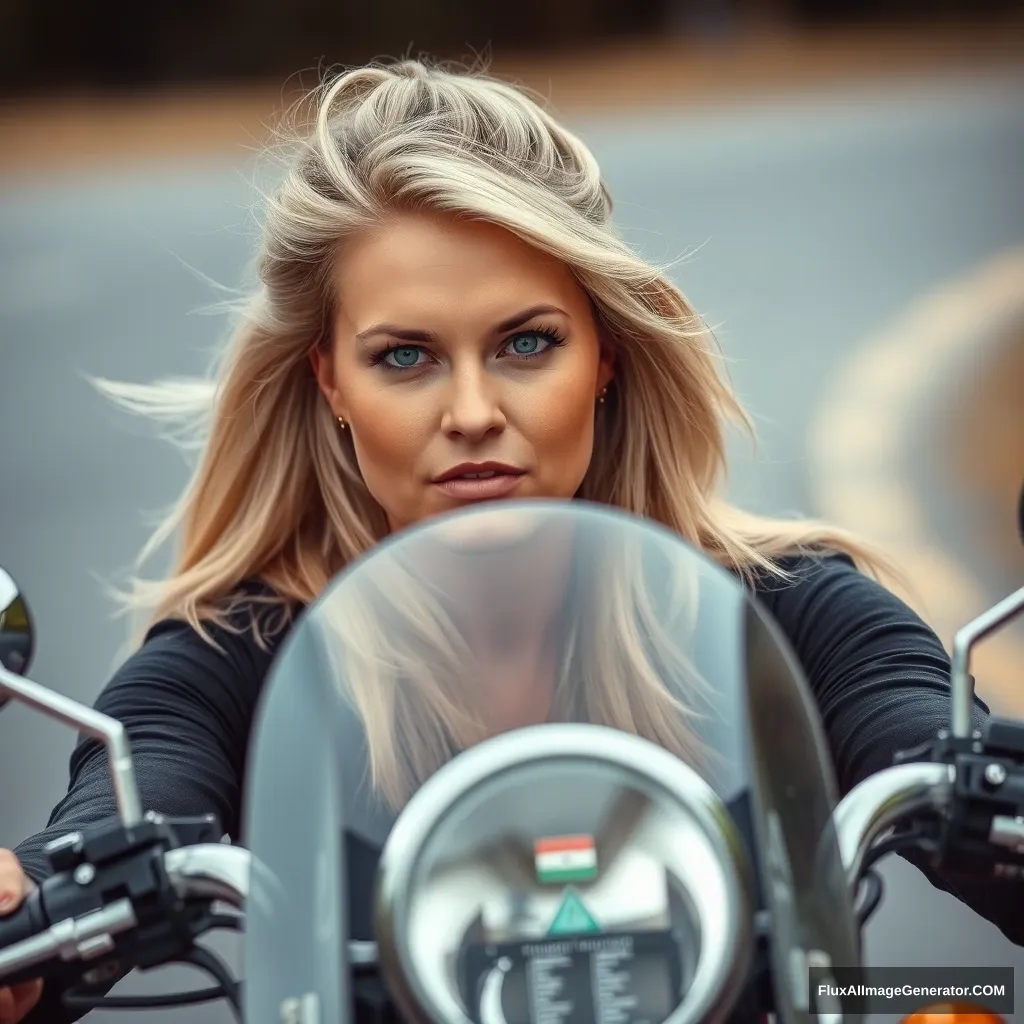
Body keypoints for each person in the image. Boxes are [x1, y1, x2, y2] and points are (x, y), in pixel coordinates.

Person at [0, 58, 1019, 1024]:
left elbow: (921, 733)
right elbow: (114, 814)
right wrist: (32, 897)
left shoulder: (795, 612)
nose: (475, 410)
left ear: (606, 354)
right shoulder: (230, 664)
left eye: (526, 342)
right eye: (405, 357)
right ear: (330, 384)